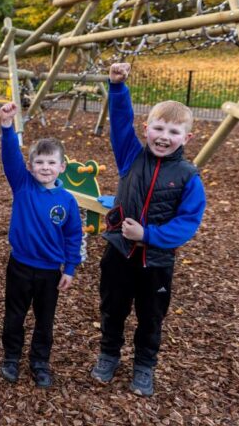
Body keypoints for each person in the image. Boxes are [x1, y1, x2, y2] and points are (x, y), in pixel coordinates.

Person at [90, 63, 206, 397]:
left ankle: (144, 365)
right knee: (113, 308)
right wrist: (117, 87)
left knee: (151, 316)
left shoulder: (188, 177)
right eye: (158, 128)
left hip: (156, 261)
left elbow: (187, 222)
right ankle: (109, 354)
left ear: (186, 138)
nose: (164, 137)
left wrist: (148, 235)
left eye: (173, 132)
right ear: (146, 129)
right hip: (119, 252)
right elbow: (120, 123)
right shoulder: (130, 156)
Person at [0, 102, 83, 388]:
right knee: (15, 315)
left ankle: (39, 361)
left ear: (62, 167)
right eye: (39, 162)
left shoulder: (67, 200)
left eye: (51, 163)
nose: (45, 167)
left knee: (45, 319)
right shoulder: (22, 185)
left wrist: (69, 268)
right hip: (20, 266)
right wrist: (7, 126)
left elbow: (73, 236)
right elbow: (10, 156)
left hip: (49, 272)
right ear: (30, 166)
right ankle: (11, 357)